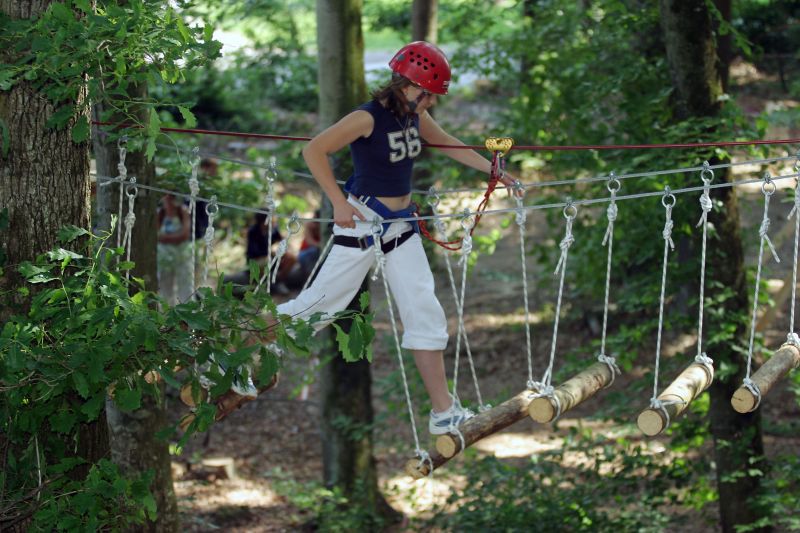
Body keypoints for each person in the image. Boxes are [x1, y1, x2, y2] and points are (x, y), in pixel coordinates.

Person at [274, 41, 519, 435]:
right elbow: (314, 150)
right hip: (364, 221)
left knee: (424, 309)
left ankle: (443, 413)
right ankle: (233, 350)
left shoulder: (415, 117)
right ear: (404, 84)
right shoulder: (366, 117)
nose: (429, 103)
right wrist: (338, 202)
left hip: (401, 225)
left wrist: (493, 170)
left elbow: (449, 144)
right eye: (425, 94)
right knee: (316, 310)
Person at [157, 194, 194, 305]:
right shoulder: (160, 213)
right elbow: (157, 236)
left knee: (186, 285)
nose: (168, 200)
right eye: (165, 197)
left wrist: (166, 238)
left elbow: (185, 235)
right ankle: (166, 314)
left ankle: (187, 315)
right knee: (164, 285)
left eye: (170, 197)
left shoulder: (183, 211)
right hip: (164, 257)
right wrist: (175, 238)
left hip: (182, 255)